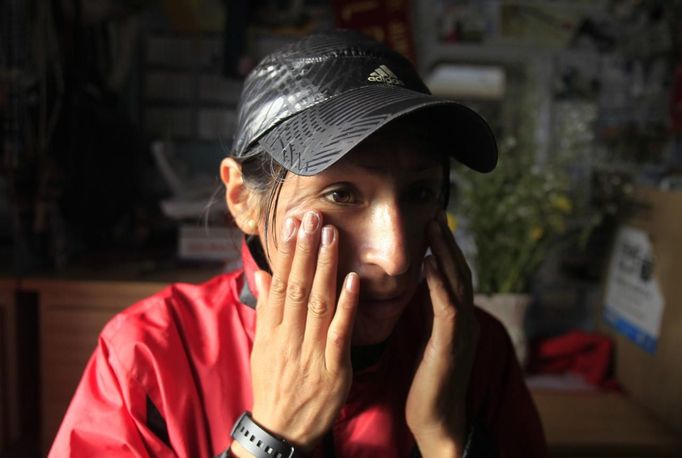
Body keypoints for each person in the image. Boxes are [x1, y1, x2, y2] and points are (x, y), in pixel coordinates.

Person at [49, 30, 547, 457]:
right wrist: (270, 437)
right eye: (341, 193)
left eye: (419, 193)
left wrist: (445, 438)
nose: (396, 257)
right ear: (242, 198)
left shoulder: (474, 351)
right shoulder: (151, 357)